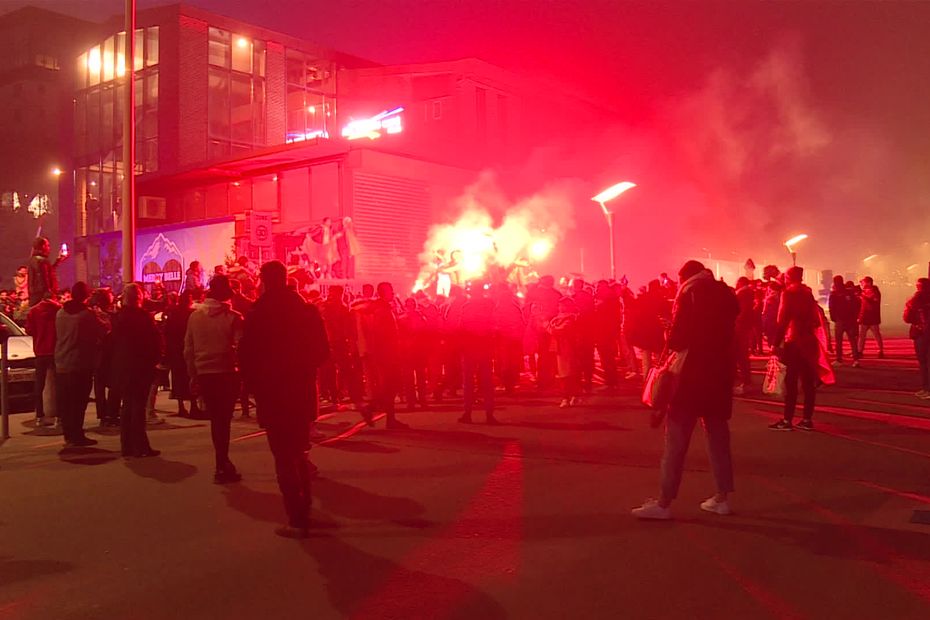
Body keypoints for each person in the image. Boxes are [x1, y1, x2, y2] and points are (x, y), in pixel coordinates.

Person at [632, 261, 738, 520]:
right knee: (718, 438)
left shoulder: (689, 293)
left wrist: (669, 327)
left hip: (691, 377)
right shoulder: (726, 293)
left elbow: (678, 339)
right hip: (720, 374)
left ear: (685, 277)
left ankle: (664, 502)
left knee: (676, 440)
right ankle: (722, 498)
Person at [240, 261, 329, 538]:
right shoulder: (307, 311)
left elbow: (246, 357)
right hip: (300, 390)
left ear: (264, 281)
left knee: (282, 454)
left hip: (273, 393)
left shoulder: (257, 314)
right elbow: (322, 352)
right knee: (299, 450)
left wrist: (254, 385)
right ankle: (304, 508)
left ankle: (296, 516)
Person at [184, 275, 244, 483]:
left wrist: (193, 375)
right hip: (226, 373)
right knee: (224, 421)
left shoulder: (194, 317)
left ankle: (221, 462)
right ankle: (222, 462)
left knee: (216, 420)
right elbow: (240, 348)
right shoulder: (233, 317)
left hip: (204, 373)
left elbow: (188, 349)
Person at [769, 266, 823, 431]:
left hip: (794, 342)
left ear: (789, 278)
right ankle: (807, 419)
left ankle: (787, 420)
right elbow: (816, 319)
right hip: (809, 341)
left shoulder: (789, 294)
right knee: (808, 383)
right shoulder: (808, 293)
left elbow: (783, 320)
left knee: (790, 382)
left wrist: (775, 343)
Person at [110, 284, 161, 457]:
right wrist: (155, 360)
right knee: (138, 407)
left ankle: (127, 445)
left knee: (127, 406)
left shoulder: (118, 318)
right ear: (139, 298)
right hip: (140, 367)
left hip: (124, 367)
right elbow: (154, 341)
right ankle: (140, 446)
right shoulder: (143, 317)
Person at [54, 282, 107, 447]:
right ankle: (77, 434)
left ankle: (68, 434)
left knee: (66, 401)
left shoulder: (60, 313)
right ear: (85, 295)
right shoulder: (86, 315)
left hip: (62, 362)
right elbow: (102, 331)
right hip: (80, 363)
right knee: (78, 402)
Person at [358, 282, 410, 429]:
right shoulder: (381, 310)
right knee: (390, 385)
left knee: (390, 385)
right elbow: (381, 333)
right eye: (390, 291)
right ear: (384, 292)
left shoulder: (382, 308)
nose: (393, 293)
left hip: (386, 352)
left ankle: (387, 417)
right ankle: (375, 410)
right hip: (387, 353)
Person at [458, 284, 498, 424]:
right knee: (487, 381)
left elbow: (461, 327)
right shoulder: (489, 306)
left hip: (470, 347)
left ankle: (468, 413)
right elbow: (494, 324)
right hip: (485, 346)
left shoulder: (466, 307)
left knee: (468, 382)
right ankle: (489, 415)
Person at [26, 295, 61, 428]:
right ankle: (59, 416)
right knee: (58, 386)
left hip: (40, 351)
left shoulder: (33, 311)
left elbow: (29, 330)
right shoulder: (58, 309)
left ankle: (40, 416)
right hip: (55, 351)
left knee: (39, 385)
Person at [547, 297, 582, 408]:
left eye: (561, 305)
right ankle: (571, 396)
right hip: (560, 349)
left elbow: (559, 331)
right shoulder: (559, 318)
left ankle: (568, 397)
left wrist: (546, 326)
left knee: (567, 374)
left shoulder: (570, 318)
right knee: (565, 373)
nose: (559, 307)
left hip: (567, 349)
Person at [904, 278, 930, 400]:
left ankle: (927, 389)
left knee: (923, 361)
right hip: (924, 331)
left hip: (921, 331)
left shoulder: (917, 299)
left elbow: (907, 317)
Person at [828, 275, 860, 366]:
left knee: (839, 341)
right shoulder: (849, 292)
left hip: (840, 320)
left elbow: (831, 308)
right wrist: (854, 316)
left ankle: (839, 359)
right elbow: (856, 304)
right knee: (852, 340)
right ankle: (856, 359)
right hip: (850, 319)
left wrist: (834, 318)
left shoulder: (834, 294)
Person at [27, 237, 66, 306]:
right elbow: (44, 278)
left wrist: (58, 260)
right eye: (48, 245)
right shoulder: (41, 261)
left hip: (37, 296)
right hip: (41, 297)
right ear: (43, 246)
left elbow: (48, 272)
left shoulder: (34, 260)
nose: (49, 248)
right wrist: (49, 294)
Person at [857, 276, 884, 359]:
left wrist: (862, 296)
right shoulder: (864, 292)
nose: (862, 284)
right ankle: (860, 351)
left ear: (869, 282)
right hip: (864, 317)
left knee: (876, 335)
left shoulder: (875, 291)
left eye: (864, 282)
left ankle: (880, 350)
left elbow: (873, 302)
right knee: (861, 336)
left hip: (872, 317)